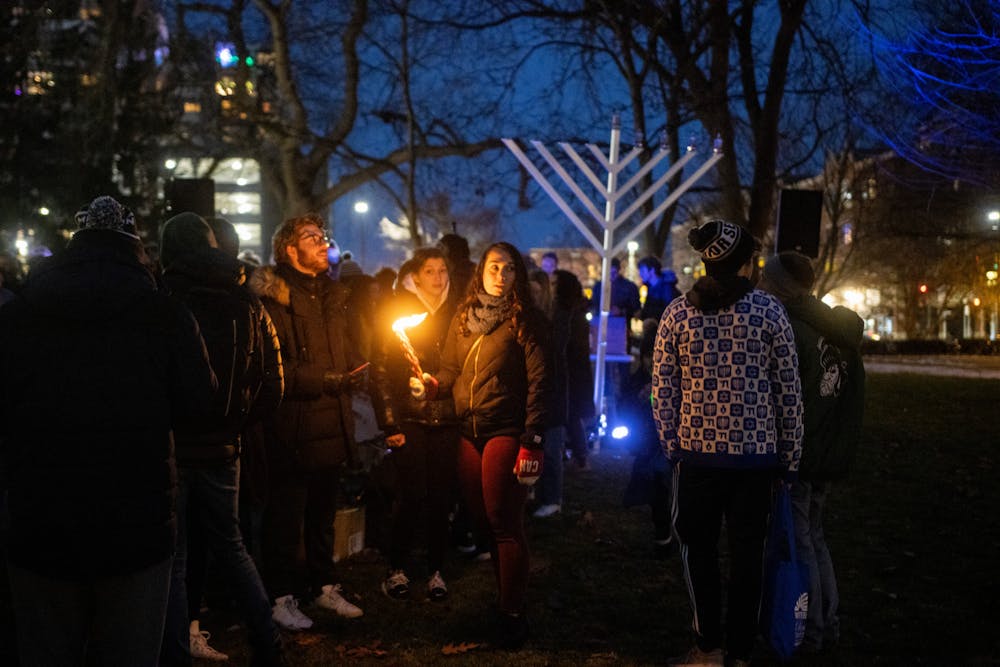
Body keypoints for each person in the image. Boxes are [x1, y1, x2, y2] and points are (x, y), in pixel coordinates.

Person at [0, 195, 217, 666]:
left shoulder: (19, 316)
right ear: (135, 246)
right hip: (137, 526)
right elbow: (201, 404)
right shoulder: (166, 315)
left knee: (46, 652)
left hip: (41, 522)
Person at [652, 219, 803, 667]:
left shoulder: (677, 313)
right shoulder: (770, 312)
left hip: (696, 458)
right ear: (745, 264)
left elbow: (664, 387)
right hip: (756, 462)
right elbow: (787, 390)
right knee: (748, 555)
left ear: (707, 260)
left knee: (696, 549)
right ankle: (739, 647)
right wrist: (790, 457)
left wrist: (671, 444)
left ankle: (707, 642)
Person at [249, 213, 401, 631]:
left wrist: (357, 365)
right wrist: (327, 379)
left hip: (333, 422)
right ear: (289, 249)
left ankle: (322, 584)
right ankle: (280, 595)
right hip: (294, 426)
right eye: (310, 237)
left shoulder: (332, 298)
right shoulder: (274, 299)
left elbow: (344, 349)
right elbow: (273, 366)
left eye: (322, 236)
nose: (322, 243)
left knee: (323, 514)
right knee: (286, 517)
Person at [158, 212, 285, 666]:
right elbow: (274, 381)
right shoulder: (246, 299)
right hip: (224, 446)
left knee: (174, 557)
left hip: (172, 445)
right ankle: (267, 643)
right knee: (231, 547)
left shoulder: (165, 297)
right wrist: (237, 422)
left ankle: (175, 654)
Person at [410, 241, 550, 649]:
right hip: (467, 430)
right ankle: (505, 599)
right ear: (481, 271)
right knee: (484, 522)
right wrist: (433, 385)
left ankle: (512, 616)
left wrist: (533, 441)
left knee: (504, 522)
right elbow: (453, 368)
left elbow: (542, 383)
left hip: (507, 429)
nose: (500, 275)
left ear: (517, 275)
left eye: (508, 268)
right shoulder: (464, 316)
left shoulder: (527, 320)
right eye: (493, 267)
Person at [756, 251, 866, 655]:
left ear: (782, 286)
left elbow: (789, 398)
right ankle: (827, 621)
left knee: (799, 539)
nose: (762, 285)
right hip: (830, 450)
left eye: (768, 279)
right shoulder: (838, 327)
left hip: (804, 451)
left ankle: (812, 629)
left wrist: (785, 453)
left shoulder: (791, 327)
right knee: (815, 537)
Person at [376, 246, 461, 600]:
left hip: (446, 415)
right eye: (430, 270)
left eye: (443, 270)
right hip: (408, 416)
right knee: (411, 493)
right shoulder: (398, 309)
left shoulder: (458, 310)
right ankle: (397, 567)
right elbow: (380, 369)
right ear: (415, 274)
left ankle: (437, 568)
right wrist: (390, 422)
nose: (438, 277)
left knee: (442, 496)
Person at [589, 256, 641, 321]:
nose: (611, 276)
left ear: (618, 271)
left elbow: (636, 309)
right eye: (609, 273)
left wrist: (621, 311)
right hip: (600, 323)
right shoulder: (598, 286)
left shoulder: (629, 287)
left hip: (622, 323)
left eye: (614, 273)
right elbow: (593, 305)